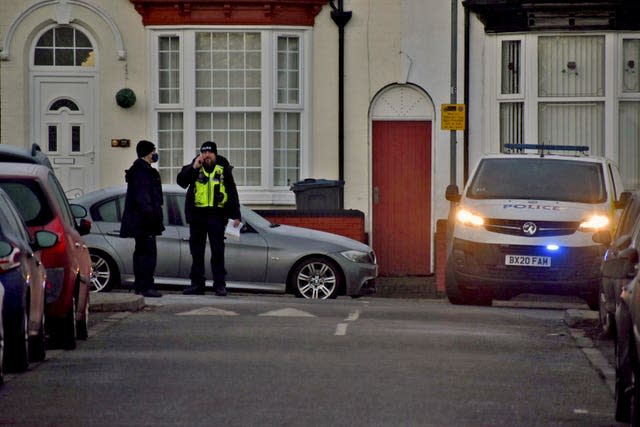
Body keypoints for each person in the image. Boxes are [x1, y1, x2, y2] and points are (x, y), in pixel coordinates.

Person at [178, 141, 241, 296]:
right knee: (197, 253)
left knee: (218, 252)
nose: (206, 155)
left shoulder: (223, 169)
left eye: (209, 152)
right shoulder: (195, 168)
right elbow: (181, 182)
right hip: (197, 216)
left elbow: (232, 192)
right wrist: (193, 167)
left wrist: (236, 215)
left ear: (215, 154)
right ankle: (197, 285)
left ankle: (219, 285)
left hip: (216, 216)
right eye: (204, 152)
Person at [120, 140, 165, 298]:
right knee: (148, 254)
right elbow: (144, 198)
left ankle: (141, 285)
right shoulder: (143, 172)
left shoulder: (139, 170)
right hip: (145, 222)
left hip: (140, 221)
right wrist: (152, 217)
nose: (155, 154)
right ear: (147, 153)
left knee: (141, 253)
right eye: (153, 151)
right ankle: (146, 286)